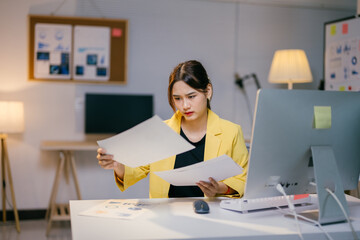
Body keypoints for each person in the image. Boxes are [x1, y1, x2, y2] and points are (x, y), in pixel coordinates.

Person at [97, 60, 248, 198]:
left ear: (207, 91)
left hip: (211, 214)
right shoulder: (159, 132)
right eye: (177, 98)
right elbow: (136, 170)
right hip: (167, 215)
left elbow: (244, 178)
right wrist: (117, 165)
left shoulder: (232, 132)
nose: (185, 105)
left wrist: (220, 188)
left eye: (191, 96)